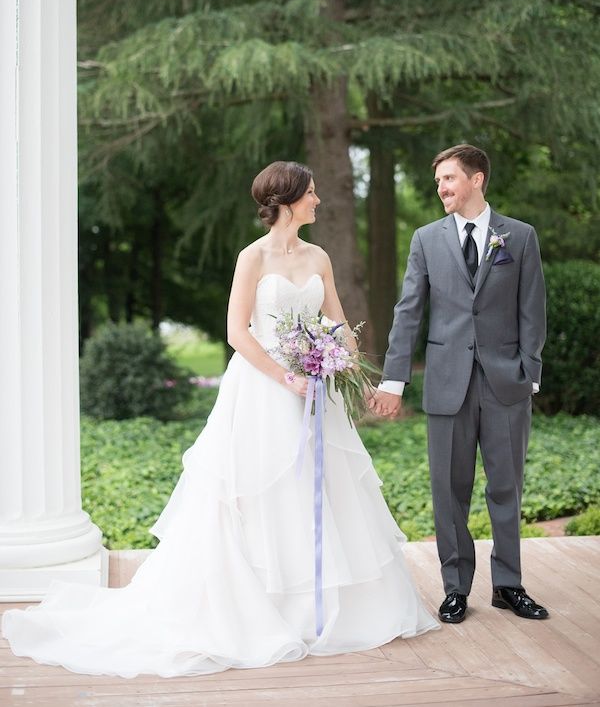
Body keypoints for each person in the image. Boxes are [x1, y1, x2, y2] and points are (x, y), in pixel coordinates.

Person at [2, 160, 438, 678]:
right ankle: (264, 611)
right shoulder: (252, 257)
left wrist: (344, 359)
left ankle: (318, 611)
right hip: (264, 389)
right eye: (312, 193)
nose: (319, 201)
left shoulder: (319, 255)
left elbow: (339, 319)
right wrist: (285, 376)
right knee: (263, 491)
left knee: (318, 489)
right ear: (288, 198)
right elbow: (237, 332)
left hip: (317, 389)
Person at [371, 144, 548, 625]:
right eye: (438, 182)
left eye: (449, 179)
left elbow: (533, 310)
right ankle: (455, 588)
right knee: (450, 490)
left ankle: (509, 585)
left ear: (477, 179)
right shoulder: (426, 239)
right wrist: (393, 379)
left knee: (506, 486)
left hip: (505, 383)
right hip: (447, 384)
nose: (442, 189)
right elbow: (408, 312)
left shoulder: (520, 236)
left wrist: (528, 372)